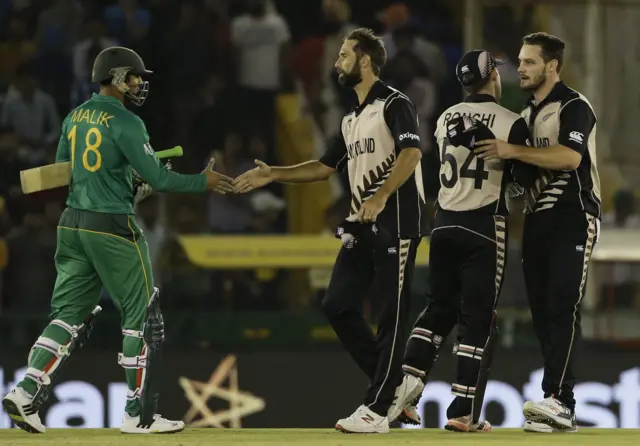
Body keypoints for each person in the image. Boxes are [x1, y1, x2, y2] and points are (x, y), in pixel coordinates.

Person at [1, 46, 233, 435]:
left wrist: (126, 183)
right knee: (141, 315)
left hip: (73, 223)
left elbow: (67, 173)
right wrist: (201, 181)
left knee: (68, 316)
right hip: (111, 225)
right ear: (119, 76)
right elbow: (159, 179)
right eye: (137, 76)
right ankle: (138, 415)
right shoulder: (128, 122)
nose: (141, 84)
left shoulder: (74, 117)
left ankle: (25, 393)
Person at [234, 28, 426, 434]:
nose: (336, 63)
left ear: (366, 61)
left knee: (392, 315)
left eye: (343, 56)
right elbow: (323, 167)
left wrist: (381, 196)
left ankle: (376, 409)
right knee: (337, 304)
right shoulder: (351, 118)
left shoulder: (394, 103)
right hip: (363, 223)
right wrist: (274, 175)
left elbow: (411, 151)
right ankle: (397, 386)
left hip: (396, 221)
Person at [386, 49, 534, 432]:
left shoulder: (446, 117)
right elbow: (520, 180)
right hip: (483, 225)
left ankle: (405, 393)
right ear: (492, 78)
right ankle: (462, 411)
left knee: (437, 309)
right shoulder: (512, 121)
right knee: (476, 319)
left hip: (444, 223)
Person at [474, 32, 601, 433]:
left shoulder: (574, 105)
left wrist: (512, 152)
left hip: (573, 216)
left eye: (529, 62)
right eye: (520, 60)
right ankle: (554, 403)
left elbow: (570, 156)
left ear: (552, 66)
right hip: (537, 220)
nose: (521, 68)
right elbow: (525, 172)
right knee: (544, 311)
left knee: (563, 304)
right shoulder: (526, 115)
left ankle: (562, 400)